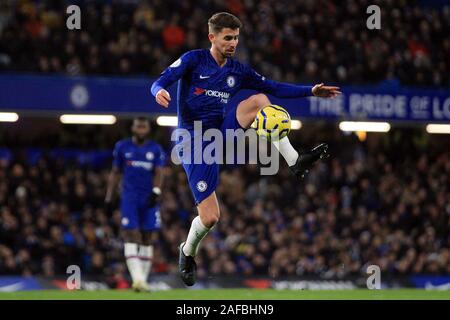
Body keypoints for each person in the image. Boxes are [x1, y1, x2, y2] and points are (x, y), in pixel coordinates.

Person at [150, 12, 341, 286]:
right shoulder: (194, 60)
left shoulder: (237, 70)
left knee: (261, 99)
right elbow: (162, 78)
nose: (233, 43)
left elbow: (274, 87)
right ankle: (187, 250)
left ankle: (295, 160)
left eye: (236, 38)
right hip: (193, 141)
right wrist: (157, 91)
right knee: (211, 217)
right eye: (228, 38)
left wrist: (310, 91)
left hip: (220, 132)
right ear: (212, 37)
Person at [105, 117, 166, 291]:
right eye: (138, 126)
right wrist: (109, 198)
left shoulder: (155, 149)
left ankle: (142, 281)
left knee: (147, 237)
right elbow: (115, 172)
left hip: (148, 198)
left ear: (148, 129)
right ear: (132, 128)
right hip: (129, 198)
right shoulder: (122, 147)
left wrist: (156, 191)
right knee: (130, 234)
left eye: (143, 126)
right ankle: (138, 280)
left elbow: (160, 172)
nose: (140, 129)